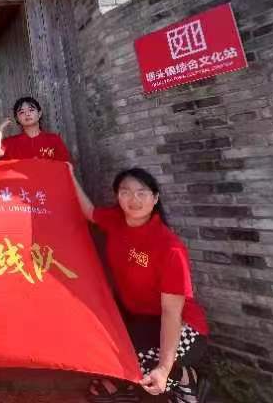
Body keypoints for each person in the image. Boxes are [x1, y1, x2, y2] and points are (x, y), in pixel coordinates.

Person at [71, 167, 209, 403]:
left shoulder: (169, 248)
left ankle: (184, 378)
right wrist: (68, 173)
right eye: (125, 192)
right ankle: (137, 383)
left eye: (141, 192)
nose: (133, 199)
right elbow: (89, 212)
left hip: (184, 326)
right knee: (107, 354)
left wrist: (164, 368)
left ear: (155, 198)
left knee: (141, 368)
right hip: (144, 322)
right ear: (117, 196)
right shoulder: (116, 221)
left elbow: (171, 312)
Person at [0, 96, 71, 163]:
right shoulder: (10, 143)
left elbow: (65, 166)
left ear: (39, 114)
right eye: (21, 112)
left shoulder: (54, 140)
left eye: (31, 110)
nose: (27, 114)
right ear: (17, 118)